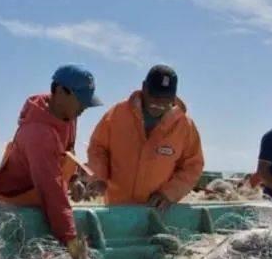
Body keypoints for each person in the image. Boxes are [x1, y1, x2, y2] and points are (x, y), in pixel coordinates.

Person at [0, 64, 102, 259]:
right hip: (14, 202)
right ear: (61, 91)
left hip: (44, 193)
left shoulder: (68, 114)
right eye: (80, 101)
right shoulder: (38, 133)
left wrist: (75, 178)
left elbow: (67, 151)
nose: (83, 109)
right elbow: (52, 195)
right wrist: (73, 243)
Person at [86, 64, 204, 210]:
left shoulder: (185, 126)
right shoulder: (117, 114)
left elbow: (192, 166)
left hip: (156, 212)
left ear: (173, 96)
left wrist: (169, 194)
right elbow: (98, 148)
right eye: (154, 97)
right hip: (117, 209)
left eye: (165, 100)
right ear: (144, 88)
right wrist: (99, 177)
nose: (158, 105)